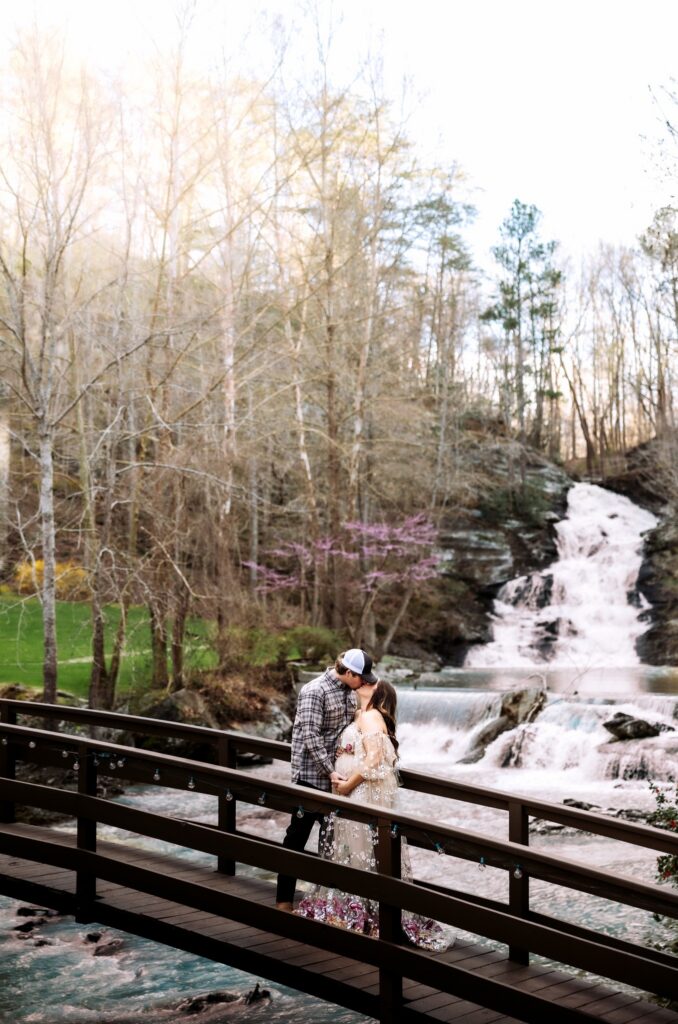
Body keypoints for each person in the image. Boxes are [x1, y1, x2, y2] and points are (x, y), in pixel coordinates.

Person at [296, 679, 453, 952]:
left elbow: (374, 759)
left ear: (377, 693)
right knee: (351, 849)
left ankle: (368, 913)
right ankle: (354, 906)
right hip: (350, 791)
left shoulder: (371, 717)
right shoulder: (360, 713)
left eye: (371, 682)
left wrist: (348, 784)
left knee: (362, 849)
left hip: (360, 791)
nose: (364, 682)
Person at [275, 648, 379, 911]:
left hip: (338, 781)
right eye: (362, 677)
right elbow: (310, 736)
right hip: (311, 777)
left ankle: (329, 905)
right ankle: (283, 901)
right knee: (296, 838)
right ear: (349, 673)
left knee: (333, 843)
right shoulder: (315, 690)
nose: (364, 682)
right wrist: (330, 770)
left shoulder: (351, 692)